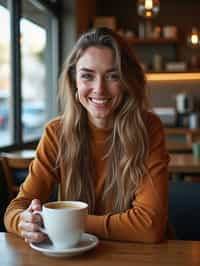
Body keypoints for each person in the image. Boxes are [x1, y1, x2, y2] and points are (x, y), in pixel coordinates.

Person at [4, 27, 169, 244]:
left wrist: (62, 222)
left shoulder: (148, 128)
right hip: (77, 254)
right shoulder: (56, 133)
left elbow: (149, 227)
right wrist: (24, 221)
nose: (99, 89)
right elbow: (15, 210)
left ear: (127, 81)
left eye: (113, 76)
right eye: (87, 76)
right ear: (74, 80)